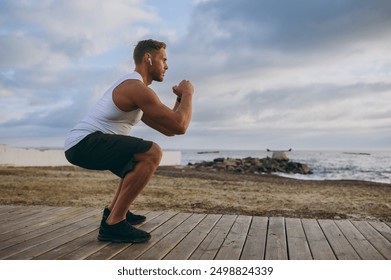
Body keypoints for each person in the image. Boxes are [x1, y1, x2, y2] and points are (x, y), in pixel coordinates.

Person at [64, 39, 194, 243]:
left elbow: (170, 129)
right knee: (152, 153)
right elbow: (181, 125)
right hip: (83, 143)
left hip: (80, 144)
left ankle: (113, 212)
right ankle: (114, 224)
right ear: (148, 58)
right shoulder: (135, 87)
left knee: (138, 159)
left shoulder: (136, 90)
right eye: (164, 60)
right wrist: (187, 94)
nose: (167, 66)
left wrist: (178, 100)